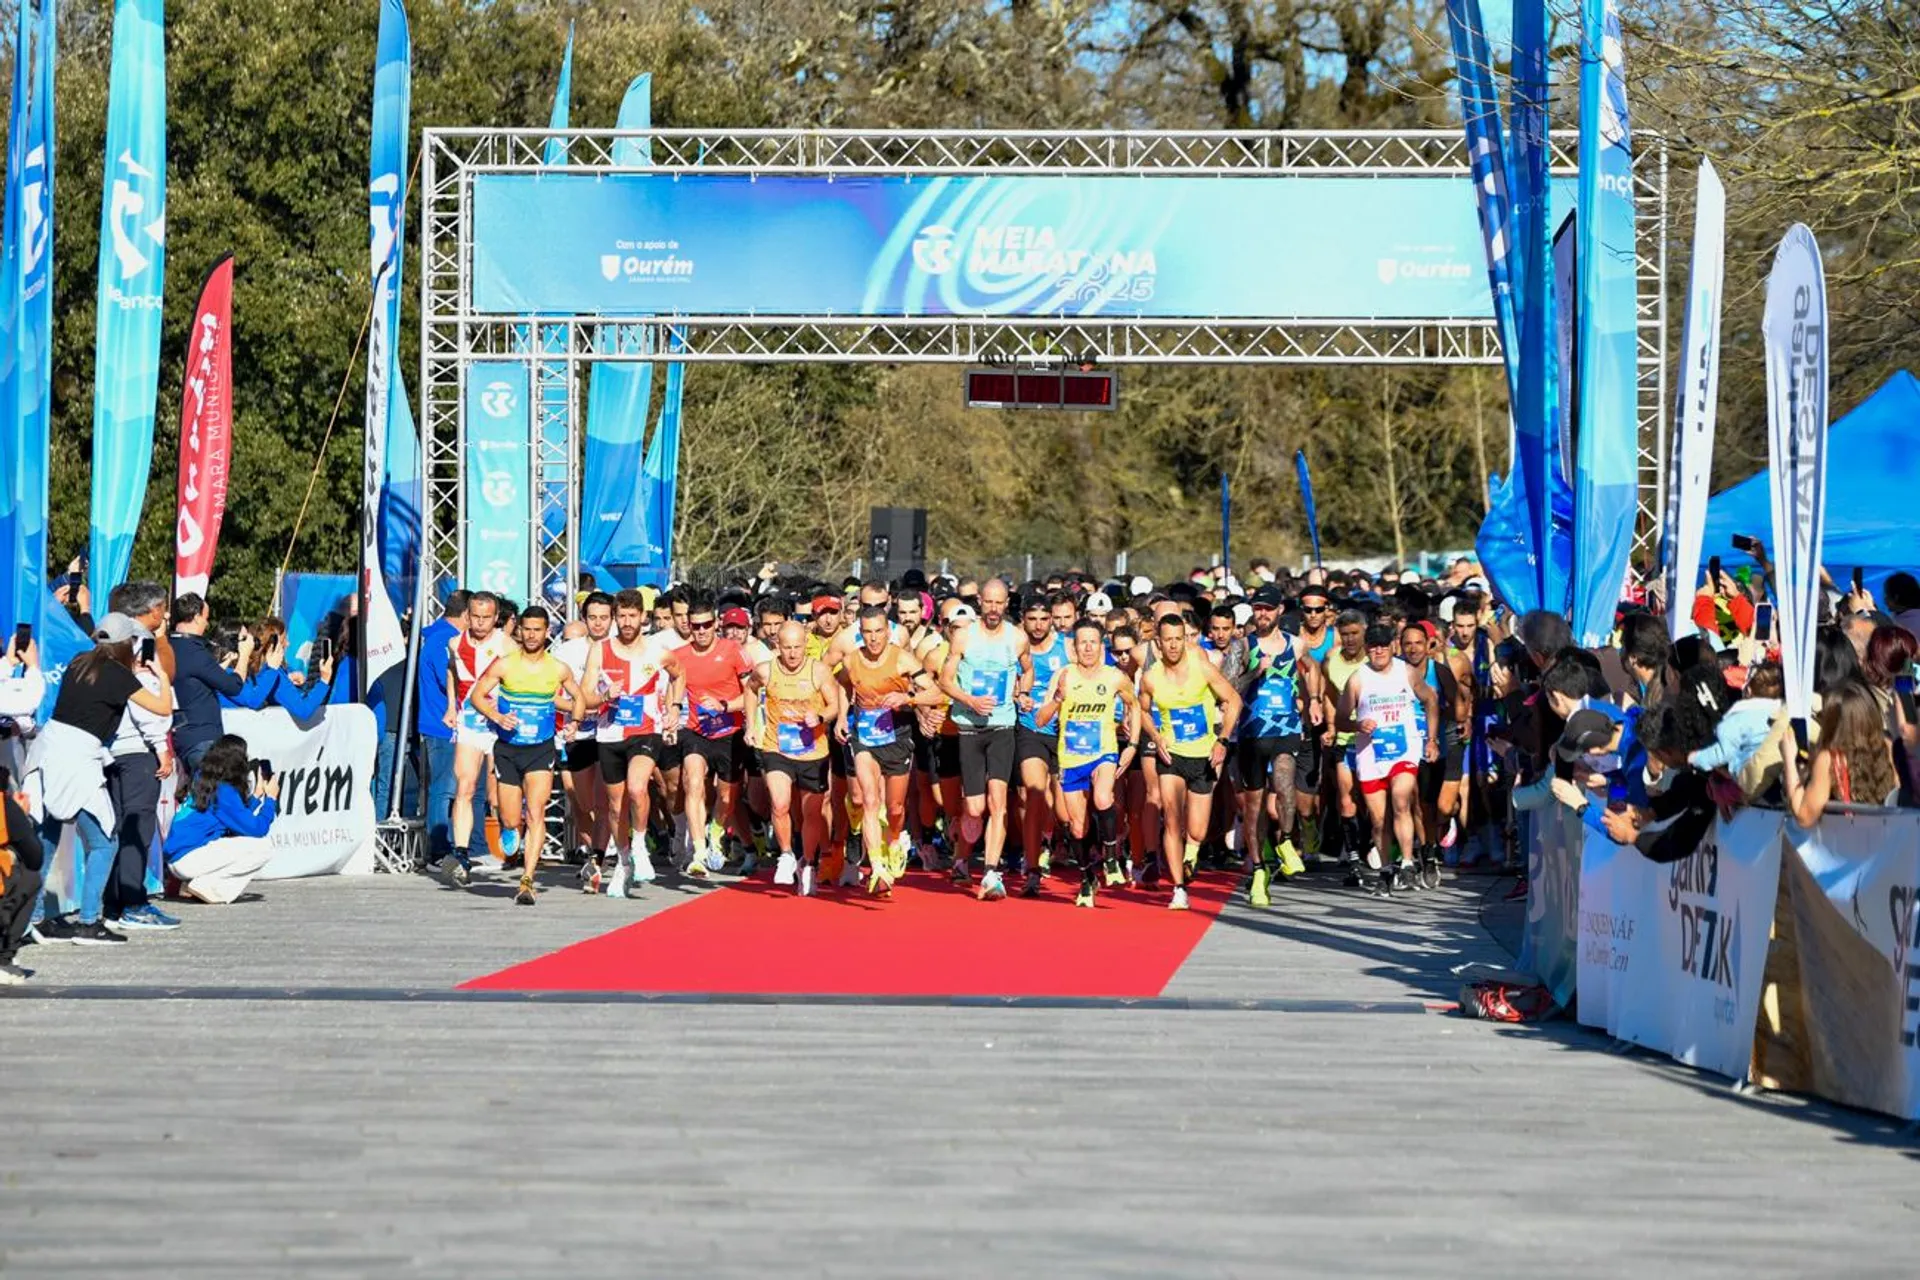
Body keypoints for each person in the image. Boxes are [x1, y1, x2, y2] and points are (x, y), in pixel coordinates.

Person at [22, 615, 174, 943]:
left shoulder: (80, 662)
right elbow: (162, 708)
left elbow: (100, 690)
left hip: (48, 749)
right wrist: (160, 675)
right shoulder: (120, 677)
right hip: (78, 759)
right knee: (105, 841)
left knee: (46, 837)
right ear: (126, 644)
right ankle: (89, 923)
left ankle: (29, 921)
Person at [469, 605, 582, 906]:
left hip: (540, 749)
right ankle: (508, 828)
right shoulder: (505, 664)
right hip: (508, 748)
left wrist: (574, 724)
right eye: (527, 629)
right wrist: (496, 715)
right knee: (509, 815)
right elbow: (477, 695)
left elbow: (579, 697)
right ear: (519, 630)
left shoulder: (557, 668)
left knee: (536, 811)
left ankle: (527, 880)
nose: (532, 635)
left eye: (538, 630)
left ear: (547, 633)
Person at [582, 589, 684, 898]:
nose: (627, 623)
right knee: (616, 805)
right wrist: (604, 696)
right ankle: (624, 862)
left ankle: (639, 846)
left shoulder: (658, 650)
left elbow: (679, 675)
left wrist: (674, 708)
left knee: (638, 788)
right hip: (610, 733)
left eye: (632, 616)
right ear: (615, 618)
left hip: (646, 730)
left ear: (644, 617)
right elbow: (585, 696)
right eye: (621, 617)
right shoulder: (600, 650)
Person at [1033, 618, 1141, 908]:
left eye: (1094, 641)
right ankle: (1086, 877)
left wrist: (1132, 744)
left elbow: (1136, 704)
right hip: (1071, 757)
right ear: (1075, 647)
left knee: (1105, 797)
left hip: (1103, 751)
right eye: (1083, 642)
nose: (1089, 648)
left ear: (1101, 644)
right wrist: (1057, 699)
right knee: (1076, 827)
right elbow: (1040, 719)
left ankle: (1109, 858)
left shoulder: (1114, 676)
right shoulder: (1064, 675)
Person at [1139, 612, 1243, 910]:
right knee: (1172, 820)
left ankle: (1190, 856)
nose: (1173, 646)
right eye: (1167, 640)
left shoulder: (1202, 668)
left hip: (1203, 756)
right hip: (1171, 755)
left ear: (1185, 639)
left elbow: (1233, 700)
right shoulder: (1151, 677)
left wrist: (1222, 738)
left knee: (1196, 830)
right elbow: (1142, 710)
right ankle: (1179, 888)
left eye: (1178, 639)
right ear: (1158, 643)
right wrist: (1156, 737)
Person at [939, 578, 1034, 901]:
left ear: (1007, 603)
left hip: (1003, 726)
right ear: (980, 601)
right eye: (988, 603)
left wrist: (1023, 693)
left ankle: (991, 872)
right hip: (969, 727)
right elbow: (945, 680)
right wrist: (970, 701)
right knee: (975, 808)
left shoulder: (1017, 637)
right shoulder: (964, 636)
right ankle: (962, 853)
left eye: (999, 603)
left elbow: (1028, 669)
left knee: (999, 803)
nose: (993, 609)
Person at [836, 604, 938, 895]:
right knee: (869, 800)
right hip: (864, 735)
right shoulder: (852, 660)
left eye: (879, 631)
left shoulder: (902, 659)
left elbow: (934, 691)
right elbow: (844, 686)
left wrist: (906, 697)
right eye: (867, 633)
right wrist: (843, 717)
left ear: (888, 631)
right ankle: (877, 864)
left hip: (897, 734)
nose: (874, 639)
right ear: (861, 633)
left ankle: (894, 839)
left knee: (894, 809)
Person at [1337, 622, 1439, 894]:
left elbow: (1431, 699)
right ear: (1366, 648)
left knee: (1401, 799)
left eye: (1383, 645)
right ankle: (1385, 870)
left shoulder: (1406, 672)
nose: (1379, 651)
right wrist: (1358, 725)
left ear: (1393, 646)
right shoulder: (1358, 679)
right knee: (1379, 819)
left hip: (1404, 750)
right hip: (1371, 755)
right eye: (1373, 646)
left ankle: (1406, 862)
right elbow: (1339, 720)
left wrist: (1430, 739)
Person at [1233, 585, 1320, 907]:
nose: (1262, 614)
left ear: (1279, 610)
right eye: (1257, 609)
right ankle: (1258, 871)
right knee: (1254, 808)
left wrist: (1313, 701)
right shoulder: (1243, 646)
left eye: (1268, 609)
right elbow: (1228, 687)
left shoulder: (1295, 644)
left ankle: (1285, 839)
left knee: (1285, 785)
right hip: (1252, 733)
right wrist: (1256, 671)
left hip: (1286, 727)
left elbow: (1312, 669)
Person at [104, 627, 181, 932]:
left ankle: (114, 903)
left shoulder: (106, 674)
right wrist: (160, 676)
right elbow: (158, 716)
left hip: (113, 755)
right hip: (138, 754)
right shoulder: (138, 679)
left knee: (120, 828)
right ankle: (133, 903)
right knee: (138, 829)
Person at [676, 592, 757, 877]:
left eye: (706, 625)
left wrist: (724, 705)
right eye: (695, 626)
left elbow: (752, 692)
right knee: (693, 782)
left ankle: (717, 831)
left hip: (730, 731)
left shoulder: (732, 651)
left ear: (716, 624)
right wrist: (670, 714)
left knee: (726, 797)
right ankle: (698, 850)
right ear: (688, 626)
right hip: (695, 731)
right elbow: (668, 692)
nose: (700, 632)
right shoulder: (679, 656)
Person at [758, 620, 841, 896]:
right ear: (776, 646)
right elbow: (749, 689)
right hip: (777, 747)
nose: (793, 654)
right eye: (787, 648)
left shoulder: (818, 671)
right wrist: (751, 726)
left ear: (806, 645)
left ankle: (808, 863)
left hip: (812, 751)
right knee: (780, 804)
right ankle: (785, 854)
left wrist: (819, 717)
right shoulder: (766, 671)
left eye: (797, 647)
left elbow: (834, 706)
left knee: (811, 813)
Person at [443, 592, 510, 883]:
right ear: (467, 616)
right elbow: (452, 672)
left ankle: (510, 826)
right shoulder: (455, 643)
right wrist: (450, 705)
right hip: (470, 722)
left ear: (496, 618)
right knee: (465, 786)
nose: (480, 623)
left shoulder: (507, 645)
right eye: (476, 617)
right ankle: (461, 853)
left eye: (487, 617)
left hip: (498, 723)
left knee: (498, 793)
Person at [164, 735, 278, 904]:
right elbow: (257, 829)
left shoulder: (203, 778)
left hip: (179, 858)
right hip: (189, 858)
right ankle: (208, 886)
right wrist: (271, 800)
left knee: (239, 840)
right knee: (264, 847)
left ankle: (195, 884)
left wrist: (256, 797)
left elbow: (234, 820)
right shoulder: (224, 791)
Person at [1013, 593, 1071, 895]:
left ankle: (1089, 858)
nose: (1038, 626)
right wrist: (1016, 694)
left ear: (1052, 620)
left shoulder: (1067, 647)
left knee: (1065, 812)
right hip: (1030, 730)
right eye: (1032, 619)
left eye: (1044, 619)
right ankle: (1032, 869)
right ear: (1024, 619)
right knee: (1034, 797)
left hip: (1064, 734)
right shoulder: (1014, 646)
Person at [1783, 680, 1901, 823]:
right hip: (1886, 836)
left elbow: (1805, 816)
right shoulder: (1887, 746)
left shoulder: (1830, 759)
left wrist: (1789, 759)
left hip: (1845, 840)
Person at [554, 591, 613, 879]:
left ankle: (600, 856)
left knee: (607, 798)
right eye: (593, 618)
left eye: (604, 618)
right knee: (579, 798)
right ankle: (592, 849)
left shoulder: (620, 647)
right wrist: (579, 708)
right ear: (584, 619)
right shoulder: (567, 651)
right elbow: (553, 696)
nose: (598, 624)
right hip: (576, 731)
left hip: (611, 730)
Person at [168, 593, 252, 772]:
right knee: (213, 796)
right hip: (202, 739)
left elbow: (198, 678)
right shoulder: (195, 652)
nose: (207, 623)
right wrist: (244, 654)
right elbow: (233, 686)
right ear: (197, 617)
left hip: (181, 736)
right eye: (206, 618)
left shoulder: (168, 646)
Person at [416, 590, 468, 869]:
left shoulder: (438, 636)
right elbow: (448, 677)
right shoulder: (442, 640)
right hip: (441, 723)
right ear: (466, 615)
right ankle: (437, 850)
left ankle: (444, 845)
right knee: (444, 788)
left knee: (450, 787)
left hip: (444, 722)